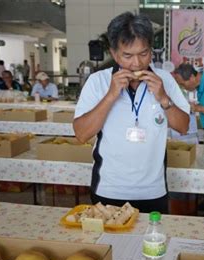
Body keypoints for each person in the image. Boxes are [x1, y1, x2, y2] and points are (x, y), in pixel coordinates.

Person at [73, 12, 190, 213]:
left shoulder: (165, 80)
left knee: (152, 243)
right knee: (110, 244)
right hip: (109, 189)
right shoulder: (98, 82)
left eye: (143, 54)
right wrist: (110, 95)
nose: (136, 64)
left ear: (151, 51)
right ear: (114, 53)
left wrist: (163, 98)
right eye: (127, 56)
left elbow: (183, 127)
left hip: (153, 191)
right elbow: (82, 134)